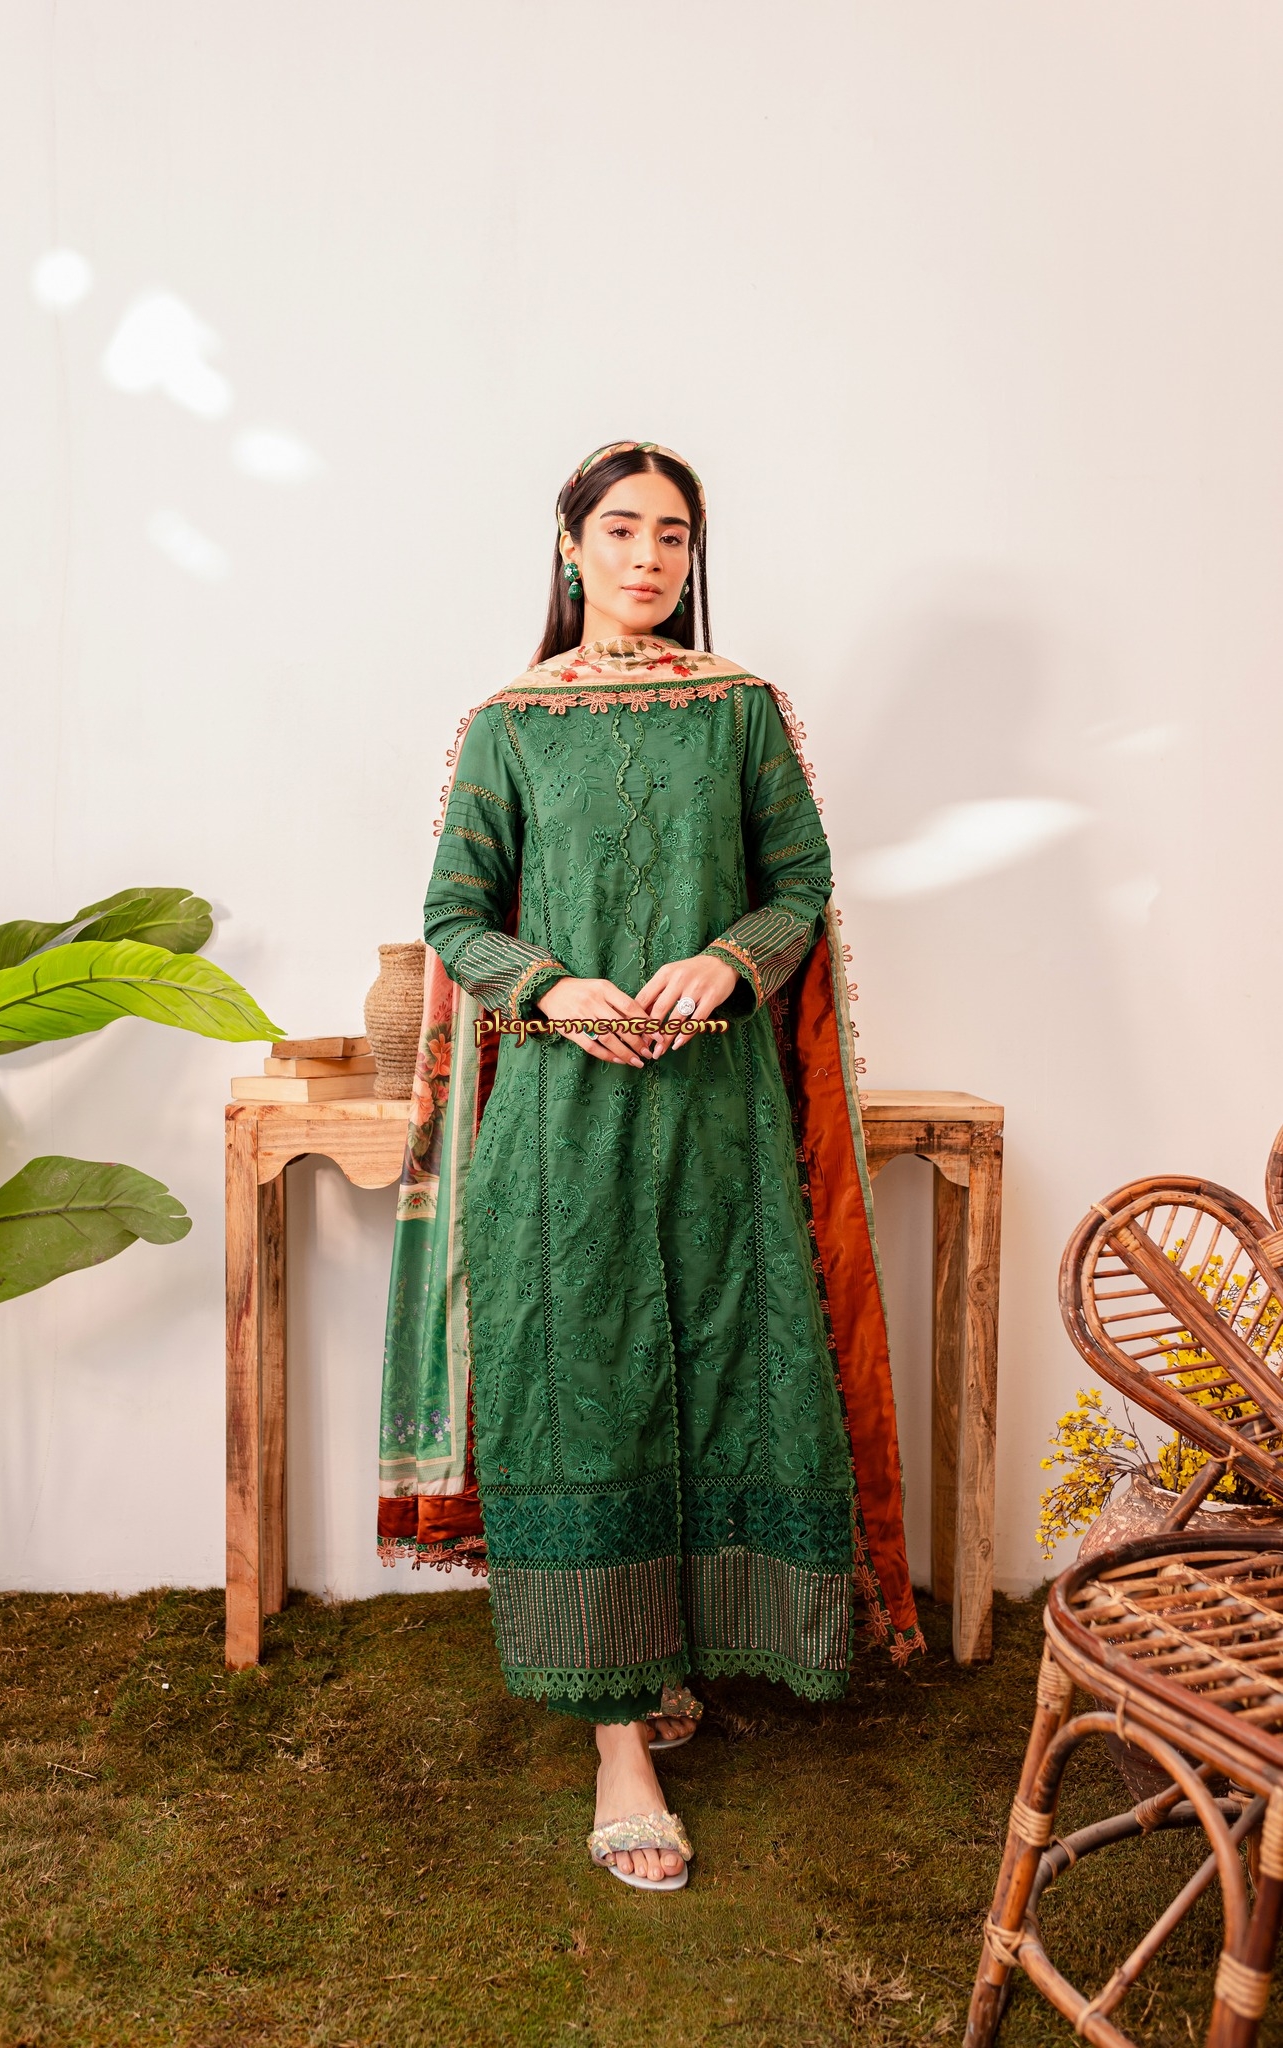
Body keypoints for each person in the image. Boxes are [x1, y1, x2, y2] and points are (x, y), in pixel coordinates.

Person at [379, 441, 919, 1892]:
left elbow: (800, 884)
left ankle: (678, 1653)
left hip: (721, 1114)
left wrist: (726, 960)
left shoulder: (740, 710)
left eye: (673, 535)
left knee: (729, 1369)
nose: (648, 558)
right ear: (569, 548)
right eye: (620, 530)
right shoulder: (507, 725)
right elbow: (454, 913)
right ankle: (619, 1745)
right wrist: (552, 990)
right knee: (587, 1389)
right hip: (562, 1125)